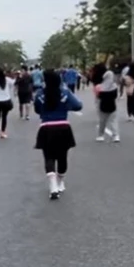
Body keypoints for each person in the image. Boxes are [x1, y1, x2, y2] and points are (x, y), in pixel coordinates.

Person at [33, 69, 82, 199]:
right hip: (63, 127)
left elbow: (37, 110)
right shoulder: (65, 92)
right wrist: (66, 107)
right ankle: (60, 183)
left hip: (46, 127)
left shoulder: (39, 94)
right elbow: (78, 106)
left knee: (49, 157)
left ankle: (53, 186)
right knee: (62, 157)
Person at [95, 70, 120, 143]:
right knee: (113, 121)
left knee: (102, 121)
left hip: (103, 106)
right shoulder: (114, 86)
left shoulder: (100, 87)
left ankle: (100, 135)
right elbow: (115, 96)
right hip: (112, 105)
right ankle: (116, 135)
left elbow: (98, 97)